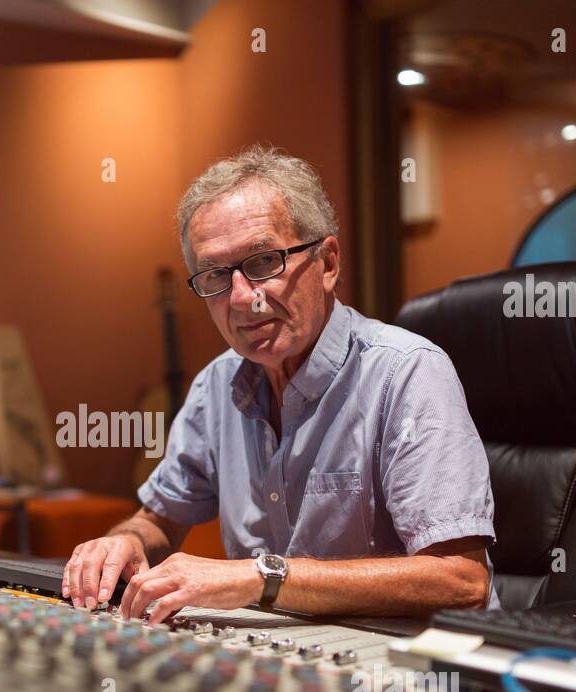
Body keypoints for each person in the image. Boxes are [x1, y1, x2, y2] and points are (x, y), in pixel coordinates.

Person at [63, 145, 498, 623]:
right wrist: (126, 540)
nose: (243, 298)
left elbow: (462, 580)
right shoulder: (217, 385)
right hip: (280, 655)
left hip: (404, 672)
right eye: (215, 275)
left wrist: (261, 576)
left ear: (327, 264)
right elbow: (160, 516)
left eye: (264, 262)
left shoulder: (406, 372)